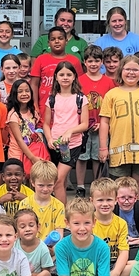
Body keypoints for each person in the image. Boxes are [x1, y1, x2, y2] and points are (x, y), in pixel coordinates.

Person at [42, 198, 126, 276]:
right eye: (76, 223)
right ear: (67, 223)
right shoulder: (61, 247)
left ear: (94, 222)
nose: (82, 228)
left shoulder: (102, 247)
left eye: (87, 223)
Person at [99, 56, 139, 208]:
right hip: (118, 149)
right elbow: (104, 122)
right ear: (121, 71)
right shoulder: (112, 94)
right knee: (119, 185)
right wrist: (103, 148)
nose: (131, 73)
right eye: (127, 69)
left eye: (135, 70)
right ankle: (119, 219)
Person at [43, 61, 89, 204]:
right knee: (60, 183)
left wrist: (70, 131)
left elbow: (85, 124)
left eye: (69, 74)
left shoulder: (81, 98)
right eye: (61, 74)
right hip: (55, 144)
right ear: (56, 77)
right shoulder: (51, 99)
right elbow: (46, 123)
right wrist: (49, 138)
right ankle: (59, 210)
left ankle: (61, 216)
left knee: (57, 180)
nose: (65, 77)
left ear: (74, 77)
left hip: (72, 145)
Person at [76, 45, 116, 197]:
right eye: (90, 61)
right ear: (85, 62)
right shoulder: (79, 81)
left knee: (98, 157)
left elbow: (111, 106)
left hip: (101, 126)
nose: (93, 64)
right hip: (83, 125)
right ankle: (80, 186)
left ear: (102, 63)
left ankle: (96, 186)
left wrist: (103, 123)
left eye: (97, 61)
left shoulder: (108, 82)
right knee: (82, 157)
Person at [30, 26, 83, 115]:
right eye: (53, 39)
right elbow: (34, 84)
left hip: (69, 108)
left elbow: (80, 84)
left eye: (60, 38)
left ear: (66, 41)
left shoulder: (74, 60)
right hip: (44, 107)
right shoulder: (41, 59)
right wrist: (35, 105)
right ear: (48, 43)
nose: (57, 41)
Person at [90, 178, 130, 276]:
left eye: (109, 200)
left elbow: (124, 252)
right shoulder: (88, 222)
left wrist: (116, 272)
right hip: (93, 263)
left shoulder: (121, 223)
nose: (105, 204)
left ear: (116, 200)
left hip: (113, 263)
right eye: (100, 200)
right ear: (92, 201)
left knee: (137, 266)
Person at [5, 80, 46, 177]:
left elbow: (37, 126)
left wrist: (39, 132)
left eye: (27, 91)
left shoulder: (33, 111)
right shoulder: (13, 115)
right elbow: (19, 140)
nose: (24, 94)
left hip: (33, 152)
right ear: (14, 94)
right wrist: (32, 157)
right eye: (20, 91)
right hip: (17, 154)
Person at [18, 161, 65, 241]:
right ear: (32, 182)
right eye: (41, 185)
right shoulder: (25, 203)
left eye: (49, 185)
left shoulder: (59, 206)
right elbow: (21, 231)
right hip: (29, 246)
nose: (45, 189)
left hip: (50, 248)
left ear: (54, 183)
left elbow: (59, 234)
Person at [13, 209, 54, 276]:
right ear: (16, 231)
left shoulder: (42, 248)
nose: (27, 229)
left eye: (31, 225)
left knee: (46, 275)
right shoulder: (13, 245)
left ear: (38, 227)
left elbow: (45, 272)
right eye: (22, 227)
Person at [114, 177, 139, 262]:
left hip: (136, 244)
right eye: (123, 198)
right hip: (118, 245)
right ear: (116, 198)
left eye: (130, 198)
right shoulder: (113, 210)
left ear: (136, 198)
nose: (126, 202)